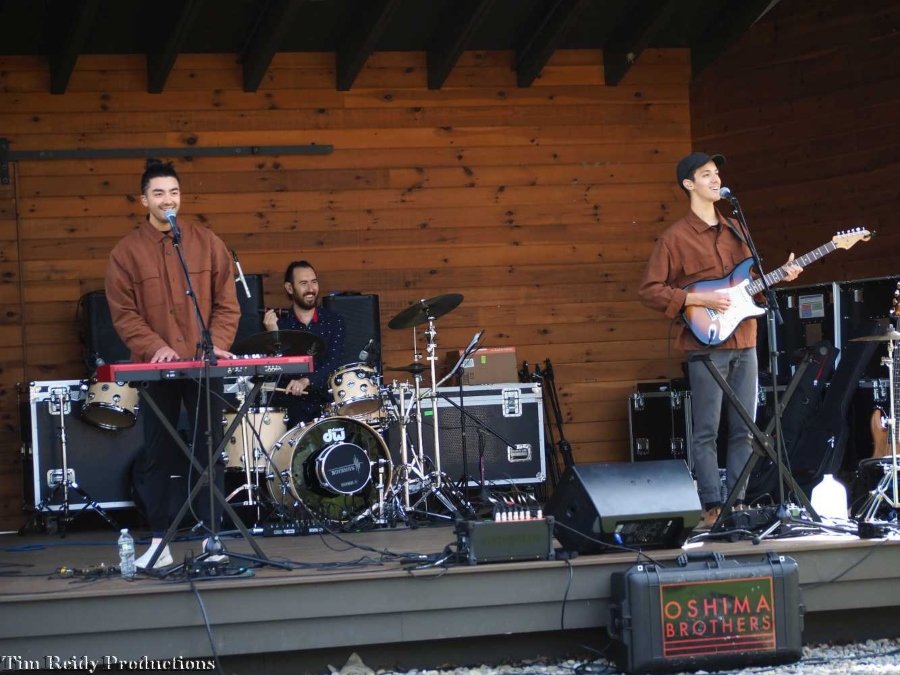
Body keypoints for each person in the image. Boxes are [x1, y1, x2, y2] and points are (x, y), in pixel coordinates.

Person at [639, 152, 802, 529]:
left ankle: (737, 504)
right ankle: (712, 505)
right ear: (689, 184)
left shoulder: (737, 228)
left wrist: (783, 275)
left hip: (745, 338)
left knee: (746, 428)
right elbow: (649, 290)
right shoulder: (675, 237)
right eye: (706, 174)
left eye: (717, 173)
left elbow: (748, 287)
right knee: (707, 430)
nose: (716, 179)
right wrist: (695, 299)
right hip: (705, 345)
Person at [105, 158, 241, 568]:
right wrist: (153, 347)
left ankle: (213, 541)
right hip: (156, 367)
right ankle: (159, 542)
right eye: (159, 193)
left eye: (174, 192)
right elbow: (124, 313)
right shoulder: (126, 251)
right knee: (158, 453)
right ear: (143, 200)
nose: (168, 200)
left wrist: (215, 345)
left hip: (203, 364)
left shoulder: (206, 241)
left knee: (210, 450)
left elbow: (227, 303)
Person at [263, 260, 346, 427]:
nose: (310, 288)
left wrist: (307, 381)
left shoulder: (334, 321)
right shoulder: (280, 324)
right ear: (289, 288)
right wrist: (274, 336)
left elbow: (334, 362)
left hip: (326, 405)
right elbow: (273, 371)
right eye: (303, 283)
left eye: (314, 282)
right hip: (289, 409)